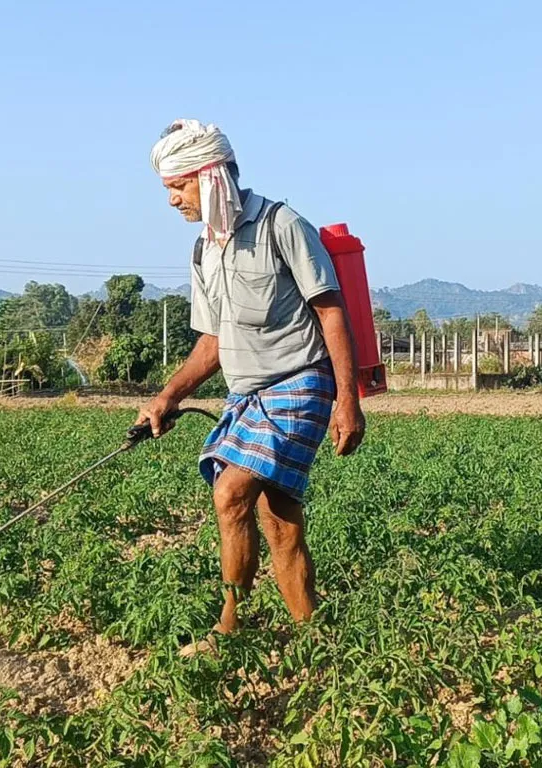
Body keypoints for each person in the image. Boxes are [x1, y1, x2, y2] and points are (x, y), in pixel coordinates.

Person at [138, 119, 365, 641]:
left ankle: (228, 628)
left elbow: (331, 312)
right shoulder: (204, 249)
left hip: (300, 382)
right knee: (279, 523)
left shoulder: (281, 226)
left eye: (179, 186)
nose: (172, 200)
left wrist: (347, 400)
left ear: (210, 176)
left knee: (230, 494)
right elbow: (212, 342)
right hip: (246, 396)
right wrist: (168, 396)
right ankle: (316, 636)